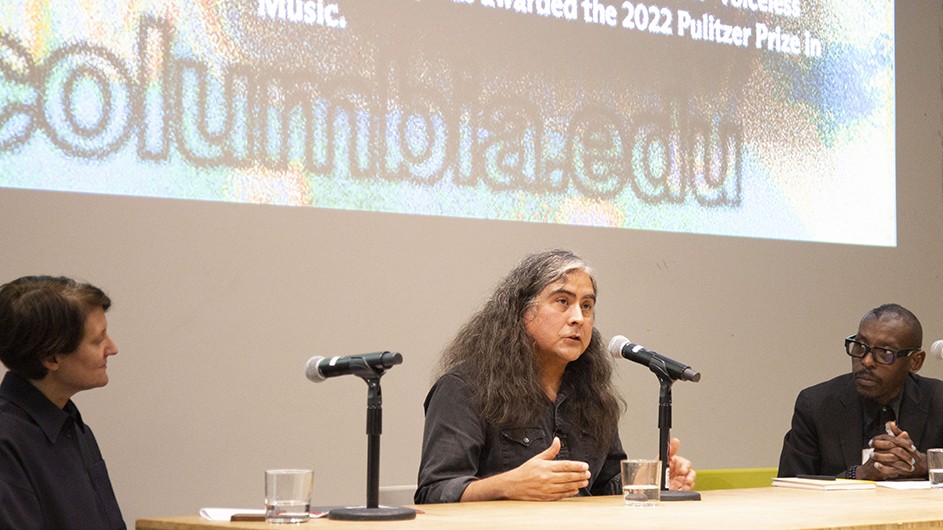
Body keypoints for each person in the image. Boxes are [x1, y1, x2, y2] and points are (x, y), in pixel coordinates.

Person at [415, 249, 696, 503]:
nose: (578, 318)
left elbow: (603, 487)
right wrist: (507, 485)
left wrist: (655, 482)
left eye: (587, 306)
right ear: (522, 312)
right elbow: (434, 491)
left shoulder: (592, 393)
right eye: (563, 301)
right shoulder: (465, 388)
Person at [0, 276, 125, 529]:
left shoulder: (75, 428)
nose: (112, 348)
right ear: (51, 358)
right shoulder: (6, 441)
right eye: (98, 339)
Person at [778, 303, 943, 480]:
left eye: (885, 353)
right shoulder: (817, 405)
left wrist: (927, 464)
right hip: (843, 509)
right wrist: (859, 474)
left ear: (915, 362)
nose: (866, 361)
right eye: (860, 346)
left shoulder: (938, 400)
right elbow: (790, 486)